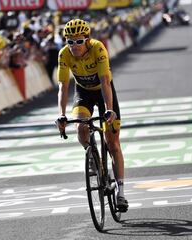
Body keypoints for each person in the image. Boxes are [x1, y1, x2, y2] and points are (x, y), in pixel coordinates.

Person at [55, 19, 128, 212]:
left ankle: (121, 191)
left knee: (112, 143)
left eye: (79, 41)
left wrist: (109, 109)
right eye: (70, 42)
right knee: (80, 127)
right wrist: (61, 115)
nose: (74, 46)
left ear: (87, 40)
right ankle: (94, 158)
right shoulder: (64, 54)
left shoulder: (98, 48)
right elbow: (63, 86)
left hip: (104, 92)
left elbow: (105, 81)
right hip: (83, 93)